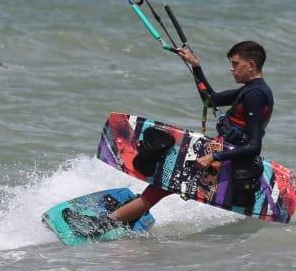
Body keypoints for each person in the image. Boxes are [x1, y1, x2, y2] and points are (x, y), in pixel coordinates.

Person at [108, 40, 273, 226]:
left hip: (223, 159)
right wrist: (196, 67)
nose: (231, 69)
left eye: (235, 64)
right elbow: (210, 101)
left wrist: (214, 156)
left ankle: (105, 223)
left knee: (161, 185)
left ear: (250, 65)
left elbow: (253, 146)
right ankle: (126, 216)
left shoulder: (255, 95)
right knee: (162, 182)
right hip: (219, 154)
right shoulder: (251, 90)